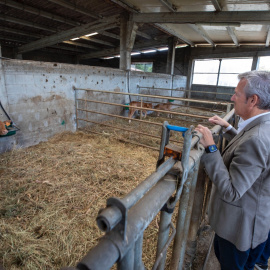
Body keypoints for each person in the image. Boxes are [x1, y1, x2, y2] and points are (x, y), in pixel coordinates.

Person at [195, 70, 270, 270]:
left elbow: (232, 192)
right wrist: (229, 129)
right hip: (256, 221)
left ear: (253, 100)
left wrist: (211, 149)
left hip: (239, 230)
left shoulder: (257, 138)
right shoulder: (263, 125)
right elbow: (251, 155)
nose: (232, 97)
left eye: (237, 94)